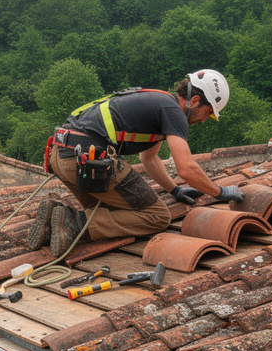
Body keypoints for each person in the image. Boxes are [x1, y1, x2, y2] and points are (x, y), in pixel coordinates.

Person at [29, 69, 244, 256]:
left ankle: (51, 225)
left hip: (61, 156)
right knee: (156, 217)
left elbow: (148, 158)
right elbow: (186, 168)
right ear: (195, 101)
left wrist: (175, 190)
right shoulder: (174, 112)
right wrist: (219, 192)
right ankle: (73, 223)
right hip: (89, 159)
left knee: (113, 211)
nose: (204, 120)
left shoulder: (158, 103)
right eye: (207, 112)